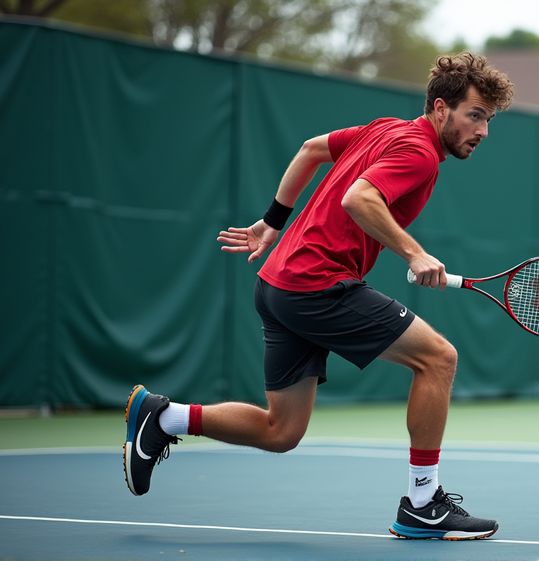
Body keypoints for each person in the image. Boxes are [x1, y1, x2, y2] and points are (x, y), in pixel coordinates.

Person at [123, 52, 515, 541]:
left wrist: (273, 219)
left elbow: (310, 149)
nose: (482, 131)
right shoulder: (417, 152)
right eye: (474, 115)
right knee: (438, 359)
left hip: (277, 283)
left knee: (281, 432)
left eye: (488, 119)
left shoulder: (385, 129)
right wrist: (414, 254)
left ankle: (164, 416)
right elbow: (359, 198)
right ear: (441, 109)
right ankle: (422, 503)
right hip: (316, 284)